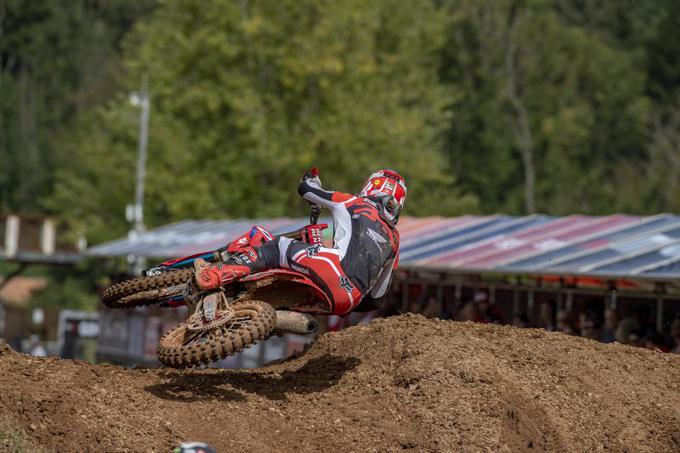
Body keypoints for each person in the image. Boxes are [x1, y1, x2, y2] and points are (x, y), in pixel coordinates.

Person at [193, 168, 406, 316]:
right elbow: (376, 299)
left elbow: (306, 190)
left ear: (371, 187)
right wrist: (345, 299)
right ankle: (266, 317)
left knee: (276, 248)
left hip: (332, 269)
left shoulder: (354, 203)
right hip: (346, 301)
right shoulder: (395, 241)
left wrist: (311, 180)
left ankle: (214, 275)